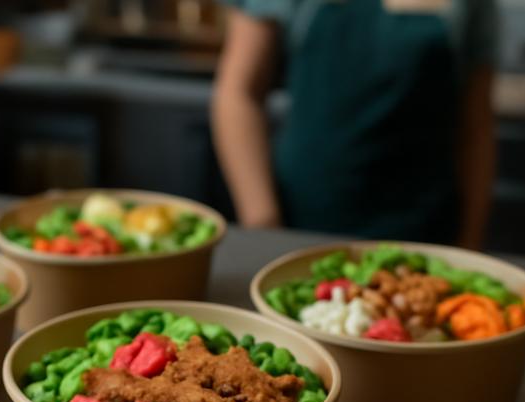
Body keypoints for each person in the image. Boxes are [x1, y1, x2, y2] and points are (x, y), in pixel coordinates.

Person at [212, 0, 497, 248]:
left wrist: (469, 240)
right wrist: (263, 220)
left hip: (425, 226)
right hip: (301, 219)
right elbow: (239, 93)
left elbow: (477, 126)